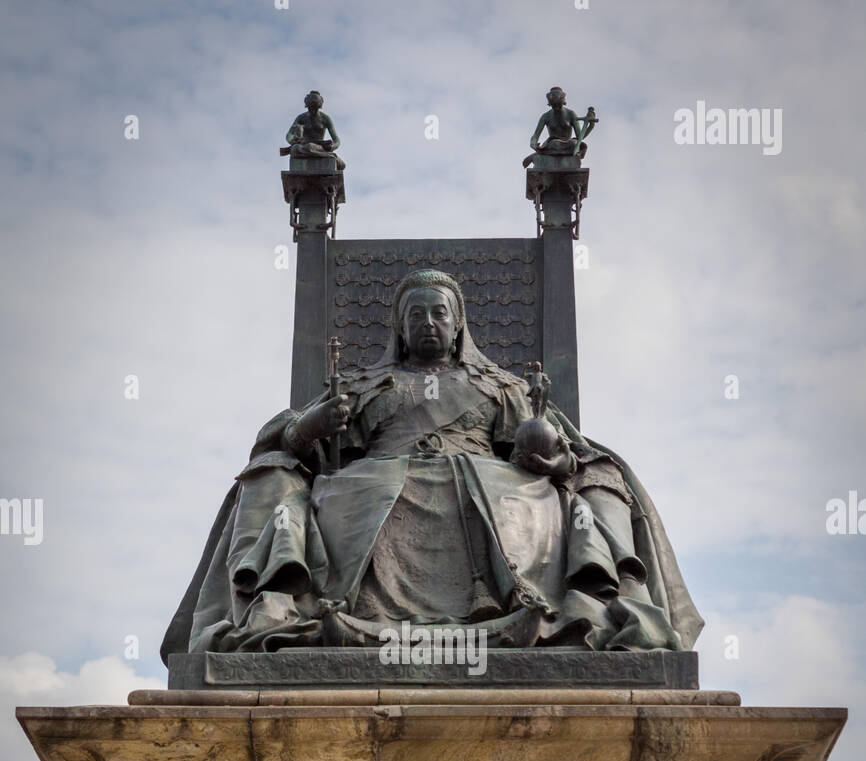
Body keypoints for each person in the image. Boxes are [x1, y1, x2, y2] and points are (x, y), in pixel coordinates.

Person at [162, 269, 702, 657]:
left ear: (458, 323)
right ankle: (278, 608)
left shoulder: (502, 388)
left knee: (595, 474)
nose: (427, 322)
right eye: (415, 314)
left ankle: (598, 601)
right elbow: (280, 438)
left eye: (438, 312)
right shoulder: (360, 387)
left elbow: (566, 448)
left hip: (491, 480)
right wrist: (312, 427)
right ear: (399, 328)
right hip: (373, 480)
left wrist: (555, 457)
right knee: (281, 475)